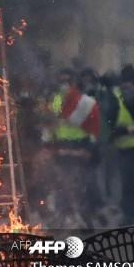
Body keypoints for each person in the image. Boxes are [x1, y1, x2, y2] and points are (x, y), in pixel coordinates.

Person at [50, 69, 101, 227]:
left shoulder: (84, 102)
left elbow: (94, 125)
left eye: (68, 81)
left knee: (83, 184)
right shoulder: (56, 100)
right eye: (62, 81)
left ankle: (85, 216)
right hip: (62, 145)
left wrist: (90, 148)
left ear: (74, 83)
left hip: (80, 145)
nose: (64, 85)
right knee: (62, 183)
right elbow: (52, 123)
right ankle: (63, 215)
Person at [107, 70, 134, 222]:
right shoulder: (115, 104)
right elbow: (110, 128)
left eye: (130, 85)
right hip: (124, 150)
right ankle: (130, 214)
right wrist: (126, 130)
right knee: (127, 184)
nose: (127, 89)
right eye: (124, 86)